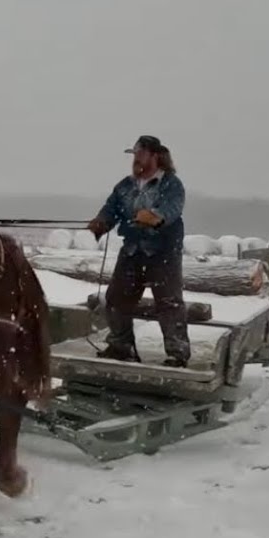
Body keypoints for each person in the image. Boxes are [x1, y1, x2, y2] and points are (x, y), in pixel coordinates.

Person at [86, 135, 191, 367]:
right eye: (134, 154)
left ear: (156, 156)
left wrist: (154, 217)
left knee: (169, 303)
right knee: (115, 299)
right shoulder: (125, 186)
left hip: (163, 253)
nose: (136, 159)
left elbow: (171, 209)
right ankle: (122, 347)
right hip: (132, 251)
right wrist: (101, 222)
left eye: (140, 153)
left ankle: (177, 354)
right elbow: (110, 209)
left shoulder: (171, 184)